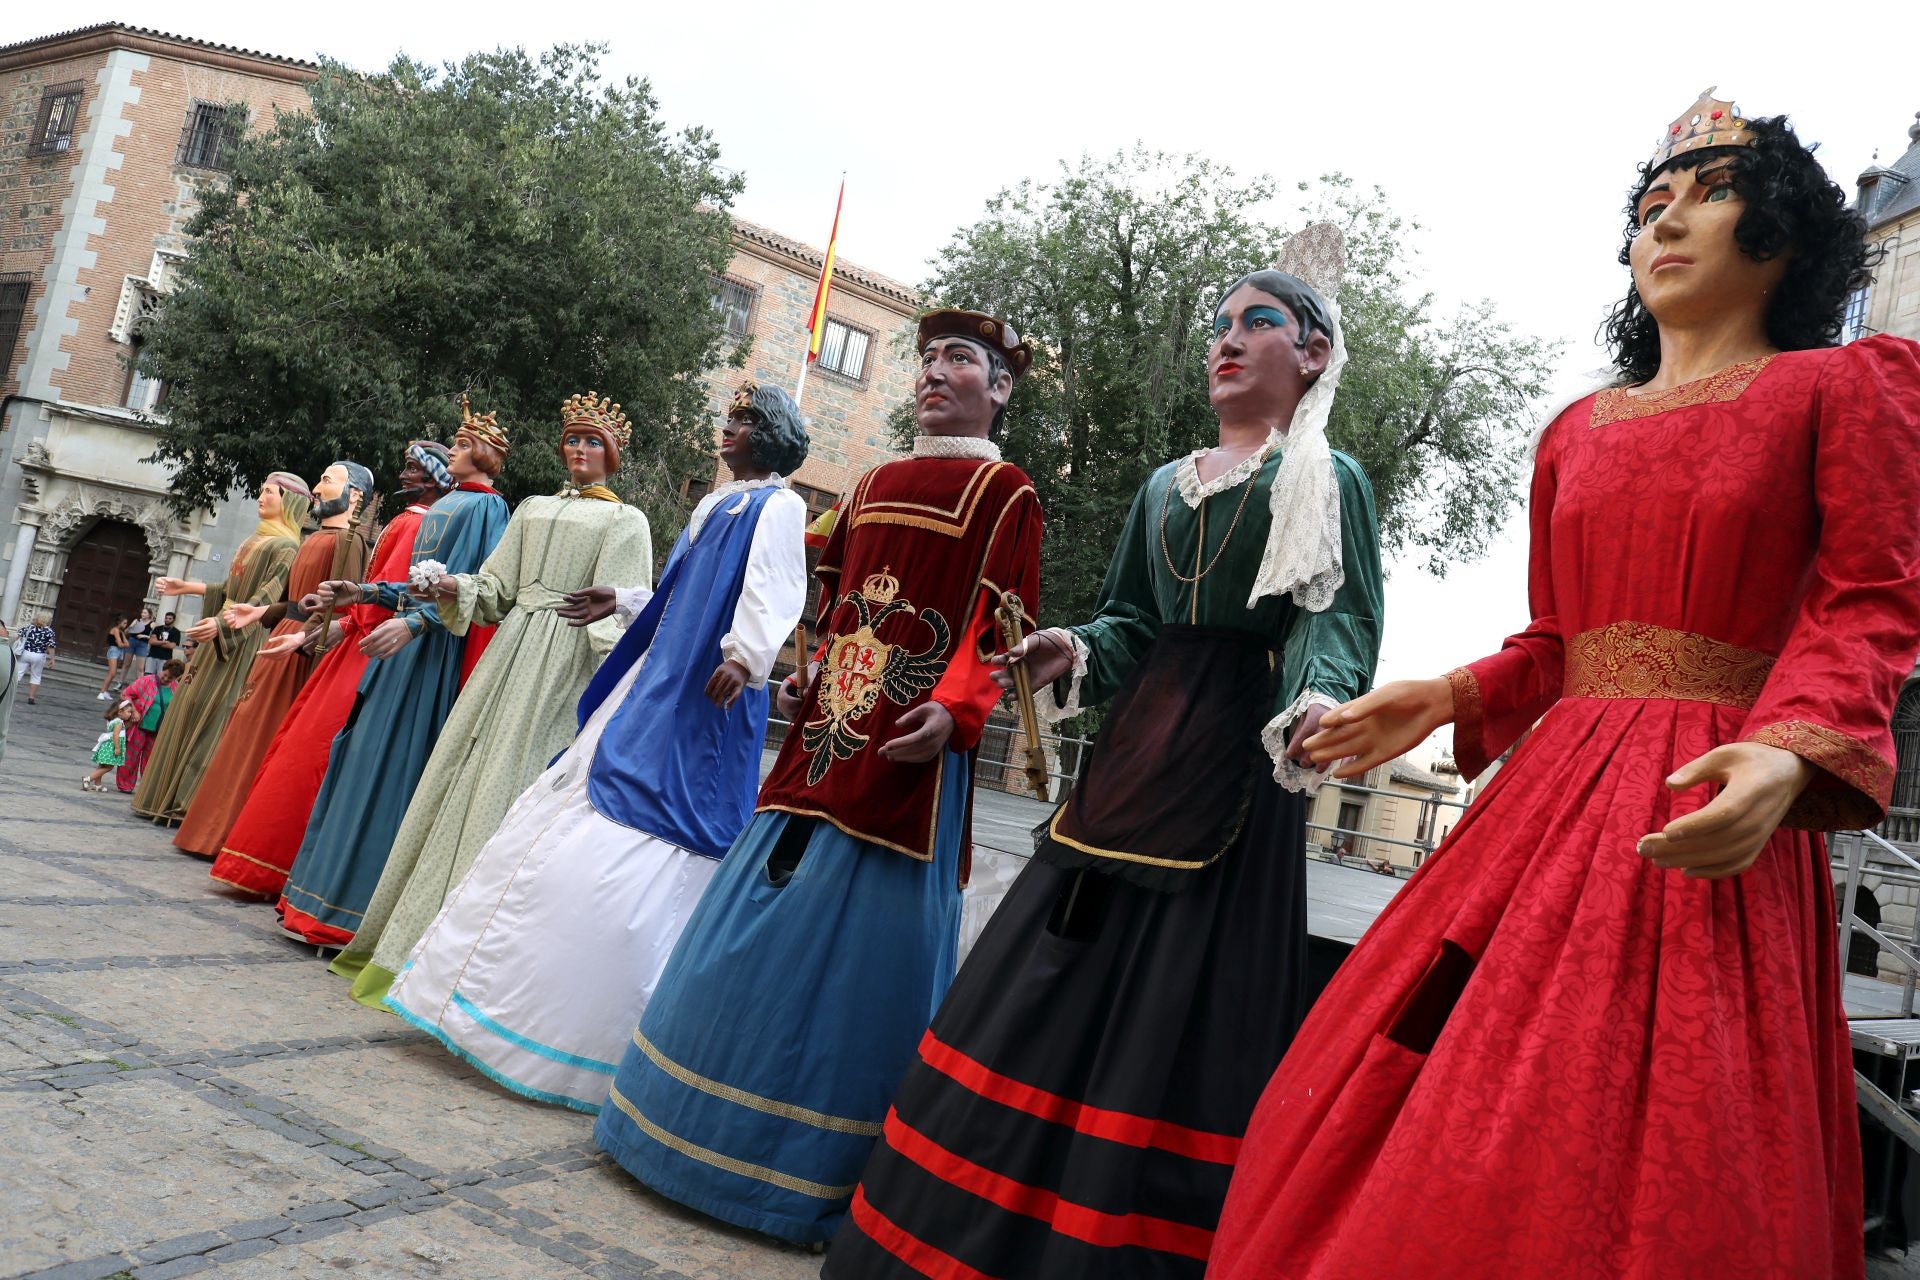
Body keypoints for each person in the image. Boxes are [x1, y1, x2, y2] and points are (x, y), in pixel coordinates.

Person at [1208, 93, 1920, 1280]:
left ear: (1786, 231)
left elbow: (1871, 601)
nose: (1670, 223)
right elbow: (1556, 637)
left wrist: (1795, 747)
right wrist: (1443, 692)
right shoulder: (1576, 429)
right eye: (1651, 206)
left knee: (1669, 1111)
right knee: (1437, 1060)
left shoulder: (1845, 391)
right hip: (1552, 797)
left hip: (1707, 793)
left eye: (1712, 192)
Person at [827, 242, 1384, 1279]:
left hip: (1236, 764)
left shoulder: (1325, 477)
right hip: (1131, 756)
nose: (1226, 339)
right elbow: (1133, 616)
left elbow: (1330, 620)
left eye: (1255, 322)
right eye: (1219, 324)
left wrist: (1317, 701)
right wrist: (1070, 645)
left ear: (1311, 352)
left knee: (1181, 989)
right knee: (1053, 959)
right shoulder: (1163, 485)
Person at [591, 308, 1044, 1245]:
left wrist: (958, 712)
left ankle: (805, 1171)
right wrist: (802, 660)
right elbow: (826, 591)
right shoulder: (873, 479)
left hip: (911, 756)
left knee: (863, 953)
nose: (933, 371)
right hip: (822, 738)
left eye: (960, 360)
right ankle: (671, 1128)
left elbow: (1001, 630)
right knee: (754, 917)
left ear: (999, 389)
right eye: (926, 358)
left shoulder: (1008, 494)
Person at [384, 382, 809, 1111]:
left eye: (744, 421)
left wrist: (745, 655)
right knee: (583, 798)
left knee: (655, 823)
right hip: (661, 675)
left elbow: (774, 587)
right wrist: (624, 599)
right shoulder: (717, 503)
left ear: (773, 436)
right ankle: (499, 1001)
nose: (728, 429)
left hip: (703, 692)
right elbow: (684, 590)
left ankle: (594, 1034)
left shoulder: (779, 504)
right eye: (731, 417)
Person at [331, 393, 653, 1002]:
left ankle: (475, 972)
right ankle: (412, 947)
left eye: (593, 443)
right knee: (463, 778)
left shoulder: (625, 521)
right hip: (507, 661)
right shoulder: (530, 508)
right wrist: (450, 581)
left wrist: (610, 700)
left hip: (563, 666)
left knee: (516, 793)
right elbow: (498, 588)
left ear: (612, 455)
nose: (580, 451)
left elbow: (621, 610)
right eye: (573, 440)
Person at [278, 403, 510, 946]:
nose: (450, 450)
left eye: (459, 443)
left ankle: (357, 913)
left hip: (430, 658)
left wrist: (416, 625)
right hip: (400, 651)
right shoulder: (449, 503)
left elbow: (472, 587)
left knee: (390, 766)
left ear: (483, 452)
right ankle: (318, 899)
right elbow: (416, 583)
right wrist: (361, 592)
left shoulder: (489, 510)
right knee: (358, 757)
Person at [210, 443, 453, 897]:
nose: (402, 475)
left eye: (414, 469)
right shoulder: (400, 525)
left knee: (312, 752)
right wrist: (304, 633)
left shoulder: (410, 528)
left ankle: (281, 868)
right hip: (343, 640)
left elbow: (379, 600)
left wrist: (310, 631)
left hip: (369, 654)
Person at [172, 462, 377, 859]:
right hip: (280, 640)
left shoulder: (349, 543)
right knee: (242, 731)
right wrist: (258, 613)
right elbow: (295, 600)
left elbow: (338, 607)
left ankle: (234, 840)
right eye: (318, 479)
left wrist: (303, 637)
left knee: (261, 737)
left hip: (297, 654)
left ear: (354, 496)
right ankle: (212, 832)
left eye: (327, 481)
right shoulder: (314, 539)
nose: (317, 488)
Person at [134, 474, 313, 822]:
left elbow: (267, 598)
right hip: (220, 632)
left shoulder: (287, 547)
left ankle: (188, 803)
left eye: (269, 492)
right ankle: (162, 794)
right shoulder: (255, 539)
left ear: (288, 502)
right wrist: (186, 586)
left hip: (240, 641)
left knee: (215, 711)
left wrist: (222, 624)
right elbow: (230, 587)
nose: (260, 497)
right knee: (191, 704)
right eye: (260, 490)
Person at [116, 659, 184, 793]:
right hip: (139, 726)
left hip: (158, 730)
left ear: (176, 678)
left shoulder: (176, 688)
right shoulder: (147, 680)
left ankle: (147, 789)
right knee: (131, 757)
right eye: (164, 674)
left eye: (169, 678)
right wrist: (134, 711)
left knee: (151, 761)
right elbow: (126, 694)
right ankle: (125, 785)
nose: (164, 678)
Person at [83, 703, 134, 791]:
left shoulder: (113, 720)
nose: (130, 714)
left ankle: (97, 785)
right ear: (120, 712)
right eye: (129, 712)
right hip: (111, 747)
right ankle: (88, 779)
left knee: (102, 765)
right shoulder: (119, 722)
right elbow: (115, 734)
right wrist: (117, 748)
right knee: (109, 767)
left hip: (106, 744)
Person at [14, 613, 56, 704]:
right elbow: (50, 646)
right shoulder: (49, 631)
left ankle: (9, 693)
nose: (51, 620)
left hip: (25, 653)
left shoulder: (29, 627)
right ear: (47, 620)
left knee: (17, 674)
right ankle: (31, 698)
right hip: (39, 655)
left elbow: (18, 636)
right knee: (36, 676)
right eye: (50, 619)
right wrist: (52, 659)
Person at [97, 614, 132, 701]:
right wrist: (122, 644)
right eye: (124, 623)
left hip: (119, 652)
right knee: (111, 673)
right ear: (119, 622)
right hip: (114, 651)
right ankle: (101, 692)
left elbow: (127, 644)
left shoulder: (121, 631)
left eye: (126, 623)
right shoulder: (115, 630)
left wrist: (122, 644)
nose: (126, 625)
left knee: (113, 673)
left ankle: (105, 691)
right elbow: (121, 644)